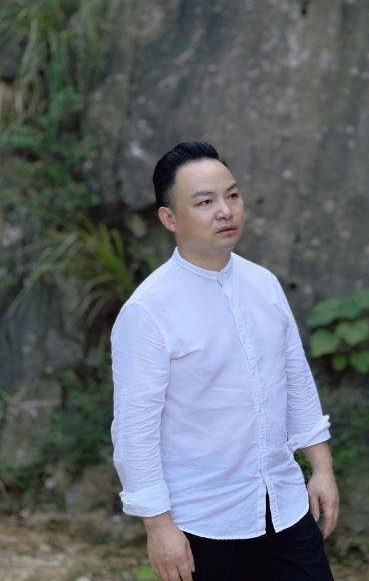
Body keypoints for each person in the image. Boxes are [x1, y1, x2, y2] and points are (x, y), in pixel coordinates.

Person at [111, 142, 339, 581]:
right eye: (205, 202)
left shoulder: (264, 284)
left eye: (232, 195)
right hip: (201, 521)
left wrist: (322, 468)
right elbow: (134, 431)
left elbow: (295, 380)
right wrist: (158, 527)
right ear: (169, 218)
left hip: (284, 505)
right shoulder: (148, 311)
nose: (225, 211)